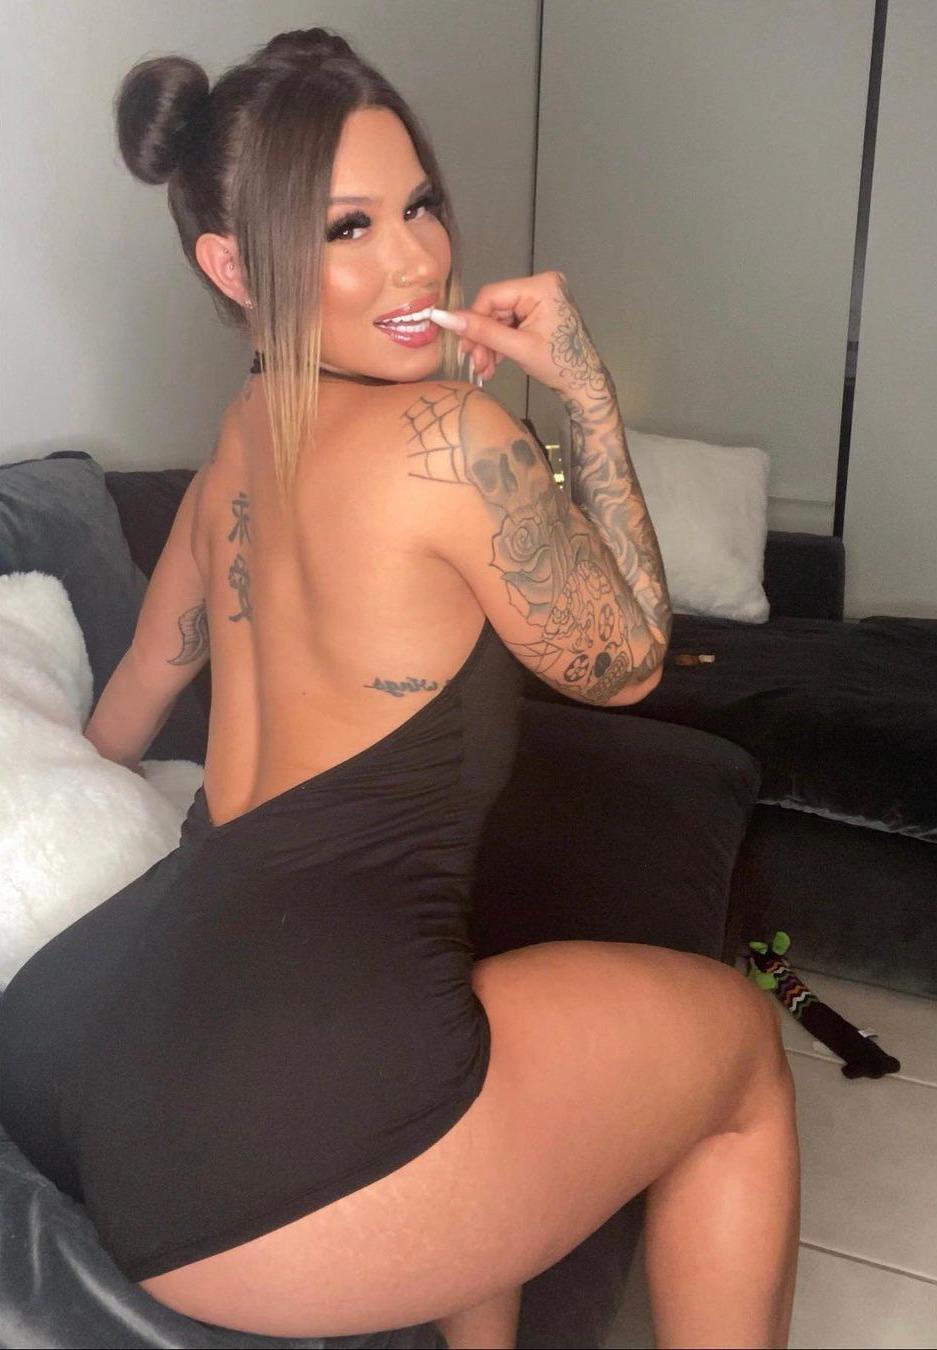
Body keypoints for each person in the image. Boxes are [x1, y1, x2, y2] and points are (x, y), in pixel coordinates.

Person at [0, 27, 800, 1350]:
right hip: (251, 1158)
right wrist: (585, 400)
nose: (419, 259)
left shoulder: (237, 442)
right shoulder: (454, 440)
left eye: (419, 204)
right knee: (741, 1056)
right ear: (232, 266)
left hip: (100, 1050)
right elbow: (629, 662)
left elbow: (145, 677)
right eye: (349, 228)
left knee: (476, 1019)